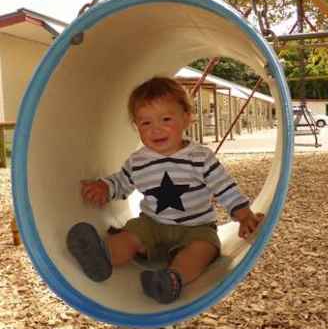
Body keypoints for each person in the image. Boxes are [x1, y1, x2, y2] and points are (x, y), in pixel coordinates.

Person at [67, 77, 264, 304]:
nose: (155, 129)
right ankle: (102, 256)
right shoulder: (138, 160)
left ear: (187, 119)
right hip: (152, 224)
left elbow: (224, 186)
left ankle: (170, 280)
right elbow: (122, 181)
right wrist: (104, 187)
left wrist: (243, 215)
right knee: (130, 236)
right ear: (136, 126)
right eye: (145, 123)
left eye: (166, 119)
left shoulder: (199, 157)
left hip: (197, 228)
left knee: (203, 250)